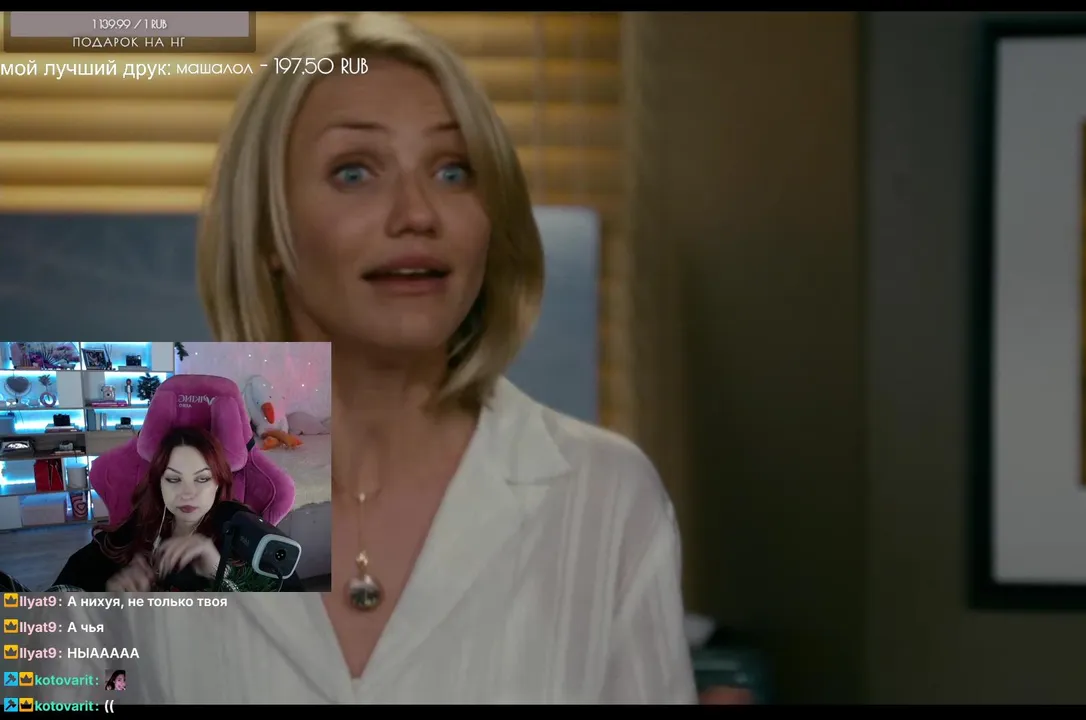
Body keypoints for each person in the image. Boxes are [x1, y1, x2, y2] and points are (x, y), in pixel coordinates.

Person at [121, 11, 695, 703]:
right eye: (354, 171)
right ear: (269, 229)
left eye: (453, 170)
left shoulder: (606, 498)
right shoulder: (131, 515)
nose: (418, 212)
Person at [50, 427, 302, 592]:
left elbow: (293, 620)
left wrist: (222, 574)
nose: (187, 493)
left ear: (219, 483)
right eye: (173, 479)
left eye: (202, 479)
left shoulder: (242, 527)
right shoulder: (145, 521)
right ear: (158, 483)